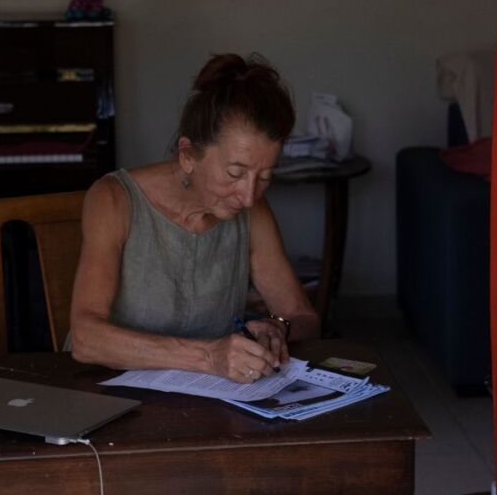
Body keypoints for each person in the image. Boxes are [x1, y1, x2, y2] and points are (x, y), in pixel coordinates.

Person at [69, 53, 320, 384]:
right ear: (187, 156)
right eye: (235, 173)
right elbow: (86, 339)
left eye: (264, 177)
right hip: (105, 393)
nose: (248, 196)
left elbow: (304, 317)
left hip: (203, 399)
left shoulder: (251, 212)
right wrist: (208, 357)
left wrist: (278, 327)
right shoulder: (114, 199)